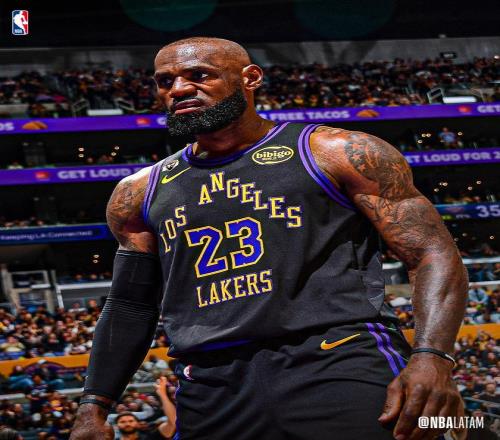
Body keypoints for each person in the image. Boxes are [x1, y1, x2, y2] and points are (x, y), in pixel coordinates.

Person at [71, 37, 468, 440]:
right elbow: (129, 305)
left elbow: (431, 253)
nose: (179, 89)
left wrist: (433, 357)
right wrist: (93, 406)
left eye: (199, 76)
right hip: (210, 384)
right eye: (165, 81)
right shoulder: (138, 192)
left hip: (337, 359)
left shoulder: (336, 152)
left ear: (250, 78)